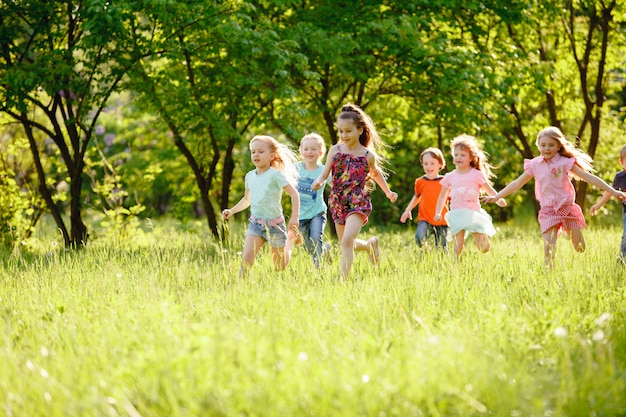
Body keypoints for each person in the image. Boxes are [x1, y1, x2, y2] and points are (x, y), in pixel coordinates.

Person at [483, 126, 626, 269]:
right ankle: (549, 276)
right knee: (548, 249)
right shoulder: (534, 164)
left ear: (558, 146)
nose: (546, 148)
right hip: (548, 210)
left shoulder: (564, 163)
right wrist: (496, 196)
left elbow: (590, 178)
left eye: (551, 145)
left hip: (567, 208)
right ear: (538, 145)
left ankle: (567, 229)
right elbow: (516, 184)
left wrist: (612, 191)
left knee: (580, 247)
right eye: (543, 145)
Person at [311, 103, 398, 280]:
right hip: (338, 202)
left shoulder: (367, 155)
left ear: (360, 130)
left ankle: (344, 280)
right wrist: (318, 182)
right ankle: (369, 246)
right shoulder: (335, 151)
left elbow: (376, 173)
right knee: (346, 243)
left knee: (346, 241)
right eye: (341, 131)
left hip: (358, 202)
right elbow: (324, 173)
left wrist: (388, 192)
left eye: (348, 131)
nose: (344, 135)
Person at [222, 135, 300, 278]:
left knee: (279, 266)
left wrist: (294, 218)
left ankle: (290, 241)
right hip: (255, 225)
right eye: (253, 152)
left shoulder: (275, 175)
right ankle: (239, 288)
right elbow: (247, 199)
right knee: (246, 259)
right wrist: (232, 211)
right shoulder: (249, 176)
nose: (256, 155)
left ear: (271, 156)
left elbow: (294, 195)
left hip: (275, 225)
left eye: (260, 151)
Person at [434, 134, 507, 261]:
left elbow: (489, 189)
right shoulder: (450, 176)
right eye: (456, 155)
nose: (458, 157)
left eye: (462, 155)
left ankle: (483, 239)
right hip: (457, 213)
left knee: (484, 248)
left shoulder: (476, 174)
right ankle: (456, 266)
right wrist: (438, 212)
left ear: (471, 158)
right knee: (459, 245)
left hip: (473, 213)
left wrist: (498, 199)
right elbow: (442, 197)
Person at [400, 147, 449, 251]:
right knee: (419, 238)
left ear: (440, 164)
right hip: (425, 219)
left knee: (442, 249)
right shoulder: (420, 182)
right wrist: (407, 211)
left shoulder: (445, 182)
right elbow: (416, 197)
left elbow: (452, 199)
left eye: (432, 163)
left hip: (441, 220)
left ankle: (441, 263)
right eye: (425, 163)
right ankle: (427, 251)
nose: (429, 166)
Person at [295, 132, 332, 268]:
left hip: (318, 213)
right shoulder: (295, 168)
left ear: (321, 152)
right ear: (301, 151)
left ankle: (319, 269)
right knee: (306, 246)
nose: (309, 152)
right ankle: (326, 250)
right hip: (300, 215)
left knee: (316, 238)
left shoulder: (324, 171)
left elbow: (337, 186)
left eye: (313, 149)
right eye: (306, 149)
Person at [590, 145, 626, 265]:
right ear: (621, 162)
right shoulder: (619, 177)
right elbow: (609, 192)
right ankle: (621, 262)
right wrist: (598, 205)